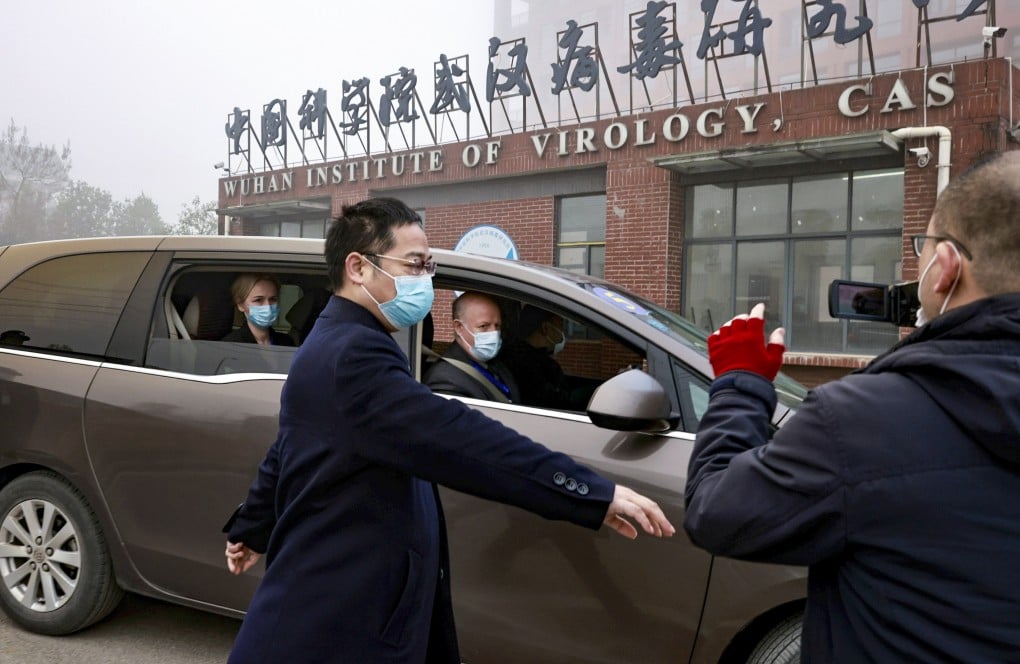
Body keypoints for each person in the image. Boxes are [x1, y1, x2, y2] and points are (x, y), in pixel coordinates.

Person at [222, 197, 674, 664]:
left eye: (428, 265)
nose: (425, 279)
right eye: (414, 264)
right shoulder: (353, 355)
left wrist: (253, 526)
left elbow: (289, 444)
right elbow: (459, 437)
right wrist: (590, 492)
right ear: (358, 267)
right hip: (338, 613)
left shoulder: (340, 338)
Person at [683, 151, 1020, 662]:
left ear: (946, 267)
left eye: (924, 248)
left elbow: (715, 512)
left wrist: (739, 384)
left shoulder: (862, 423)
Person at [422, 291, 520, 402]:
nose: (494, 333)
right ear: (459, 327)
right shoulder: (444, 379)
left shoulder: (496, 364)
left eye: (497, 326)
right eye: (483, 326)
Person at [498, 305, 584, 409]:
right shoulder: (539, 366)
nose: (563, 332)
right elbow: (560, 403)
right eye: (561, 326)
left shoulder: (512, 355)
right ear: (545, 328)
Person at [221, 273, 294, 346]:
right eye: (258, 300)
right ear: (240, 304)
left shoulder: (286, 342)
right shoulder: (231, 345)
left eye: (273, 299)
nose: (268, 306)